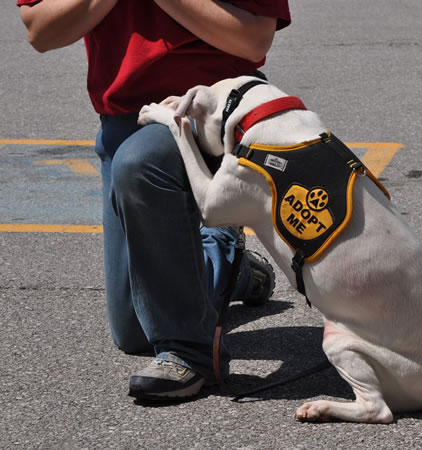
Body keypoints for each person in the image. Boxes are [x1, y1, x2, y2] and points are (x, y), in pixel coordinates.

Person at [17, 0, 291, 401]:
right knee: (134, 331)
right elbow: (40, 31)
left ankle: (191, 353)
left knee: (140, 162)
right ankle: (225, 259)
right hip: (124, 119)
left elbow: (252, 40)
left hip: (212, 107)